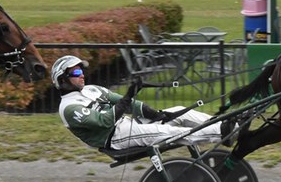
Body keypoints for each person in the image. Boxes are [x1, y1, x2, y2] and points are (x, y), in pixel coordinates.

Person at [51, 55, 236, 151]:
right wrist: (128, 96)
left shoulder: (92, 89)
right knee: (170, 133)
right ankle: (222, 133)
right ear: (63, 80)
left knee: (180, 111)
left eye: (81, 70)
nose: (81, 74)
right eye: (75, 73)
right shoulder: (68, 108)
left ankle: (225, 124)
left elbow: (128, 104)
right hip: (115, 138)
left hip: (128, 125)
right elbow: (105, 121)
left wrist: (156, 114)